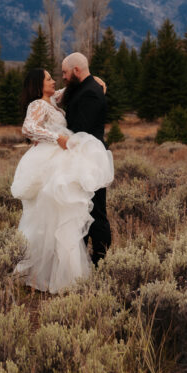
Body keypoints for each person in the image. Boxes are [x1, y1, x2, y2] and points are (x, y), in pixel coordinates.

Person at [11, 66, 114, 293]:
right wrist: (56, 137)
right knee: (50, 214)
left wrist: (94, 79)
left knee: (62, 215)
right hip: (52, 160)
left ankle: (63, 271)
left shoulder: (53, 100)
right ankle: (48, 272)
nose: (54, 81)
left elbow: (71, 88)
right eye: (49, 79)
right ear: (39, 84)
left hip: (62, 158)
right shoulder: (37, 104)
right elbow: (28, 128)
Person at [61, 52, 111, 264]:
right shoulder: (83, 88)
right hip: (80, 156)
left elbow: (82, 129)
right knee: (81, 207)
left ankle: (101, 259)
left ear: (76, 70)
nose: (62, 76)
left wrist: (59, 138)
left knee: (96, 211)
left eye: (64, 72)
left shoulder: (91, 92)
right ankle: (81, 260)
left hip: (90, 158)